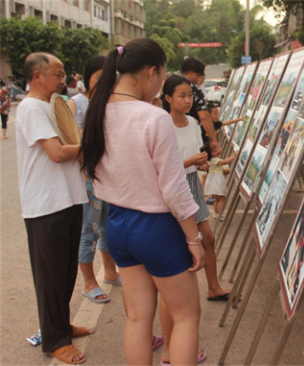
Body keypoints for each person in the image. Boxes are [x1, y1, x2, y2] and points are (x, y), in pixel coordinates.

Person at [81, 40, 205, 366]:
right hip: (156, 227)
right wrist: (194, 239)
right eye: (162, 76)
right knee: (185, 316)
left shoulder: (97, 112)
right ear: (151, 72)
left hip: (118, 224)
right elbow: (174, 189)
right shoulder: (153, 117)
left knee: (137, 319)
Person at [17, 52, 91, 364]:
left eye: (63, 74)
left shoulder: (49, 107)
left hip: (66, 199)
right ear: (37, 77)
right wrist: (91, 146)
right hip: (47, 205)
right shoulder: (32, 107)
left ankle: (61, 326)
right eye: (58, 75)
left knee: (63, 273)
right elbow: (58, 153)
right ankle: (54, 340)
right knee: (50, 277)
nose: (64, 80)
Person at [163, 75, 230, 302]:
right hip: (175, 187)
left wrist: (201, 162)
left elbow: (194, 154)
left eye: (190, 95)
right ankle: (179, 295)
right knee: (181, 243)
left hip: (192, 183)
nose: (188, 100)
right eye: (182, 96)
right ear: (168, 98)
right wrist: (191, 161)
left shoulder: (192, 123)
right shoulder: (163, 125)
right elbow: (163, 169)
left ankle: (213, 287)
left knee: (208, 238)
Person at [66, 56, 121, 304]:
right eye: (99, 76)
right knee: (89, 228)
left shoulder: (110, 104)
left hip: (109, 176)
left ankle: (110, 271)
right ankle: (89, 283)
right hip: (87, 176)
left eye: (108, 76)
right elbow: (70, 142)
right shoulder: (75, 104)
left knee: (108, 226)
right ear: (88, 77)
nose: (104, 81)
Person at [180, 58, 220, 154]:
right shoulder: (192, 89)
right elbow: (204, 116)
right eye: (199, 76)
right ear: (192, 73)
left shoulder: (171, 86)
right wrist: (214, 141)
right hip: (189, 136)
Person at [205, 149, 239, 220]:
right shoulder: (213, 159)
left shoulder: (213, 160)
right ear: (213, 152)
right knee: (221, 199)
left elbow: (219, 168)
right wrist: (234, 156)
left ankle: (216, 213)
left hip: (215, 181)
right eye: (218, 147)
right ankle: (220, 214)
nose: (220, 148)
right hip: (217, 182)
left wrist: (224, 172)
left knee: (217, 199)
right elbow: (225, 161)